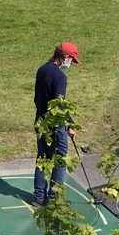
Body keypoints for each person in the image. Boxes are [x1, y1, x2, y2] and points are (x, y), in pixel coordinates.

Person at [33, 43, 79, 206]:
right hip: (55, 125)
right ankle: (54, 197)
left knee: (43, 158)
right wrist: (70, 125)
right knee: (60, 160)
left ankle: (38, 197)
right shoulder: (60, 77)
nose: (70, 63)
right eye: (71, 60)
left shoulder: (42, 69)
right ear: (64, 57)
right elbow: (59, 104)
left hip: (40, 120)